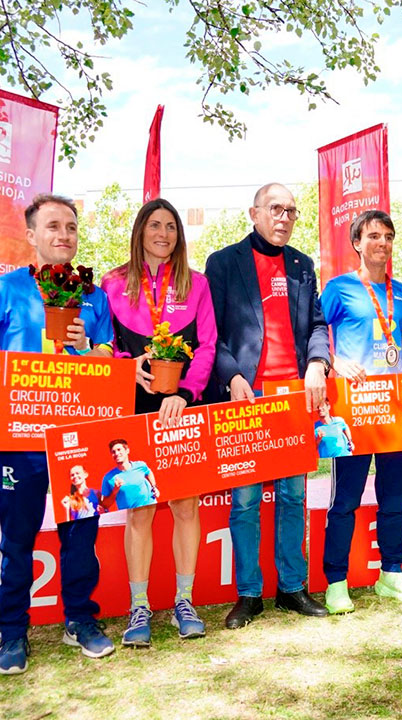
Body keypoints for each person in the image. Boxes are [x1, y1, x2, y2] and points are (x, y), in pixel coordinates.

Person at [0, 193, 116, 674]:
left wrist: (87, 348)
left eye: (72, 227)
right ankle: (12, 630)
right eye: (54, 226)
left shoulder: (93, 295)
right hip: (20, 441)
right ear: (32, 235)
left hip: (78, 439)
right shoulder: (5, 289)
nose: (64, 235)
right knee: (17, 538)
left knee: (81, 536)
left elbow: (109, 363)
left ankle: (80, 619)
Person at [204, 182, 330, 628]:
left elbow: (316, 323)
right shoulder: (222, 263)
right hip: (245, 400)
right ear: (254, 213)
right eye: (276, 209)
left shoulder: (302, 265)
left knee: (294, 497)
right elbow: (210, 333)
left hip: (293, 399)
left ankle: (292, 588)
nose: (284, 218)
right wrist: (232, 375)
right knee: (245, 502)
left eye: (292, 211)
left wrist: (318, 362)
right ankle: (249, 594)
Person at [100, 198, 217, 647]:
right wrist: (130, 368)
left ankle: (184, 601)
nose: (163, 233)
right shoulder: (113, 284)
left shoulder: (198, 284)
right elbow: (104, 345)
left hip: (184, 410)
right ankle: (139, 607)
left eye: (171, 226)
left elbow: (207, 345)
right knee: (141, 508)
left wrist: (185, 393)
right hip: (133, 409)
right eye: (155, 225)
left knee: (186, 505)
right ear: (140, 231)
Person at [318, 209, 402, 614]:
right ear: (357, 243)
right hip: (354, 412)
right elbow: (314, 334)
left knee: (395, 496)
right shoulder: (338, 289)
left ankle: (392, 573)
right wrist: (333, 362)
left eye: (387, 236)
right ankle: (336, 580)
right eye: (372, 236)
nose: (381, 243)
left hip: (396, 410)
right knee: (346, 499)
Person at [100, 439, 159, 511]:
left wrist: (154, 486)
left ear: (127, 451)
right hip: (131, 515)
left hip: (151, 506)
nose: (116, 453)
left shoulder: (140, 465)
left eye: (119, 450)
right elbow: (105, 505)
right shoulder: (108, 478)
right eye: (113, 452)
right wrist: (115, 490)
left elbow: (149, 473)